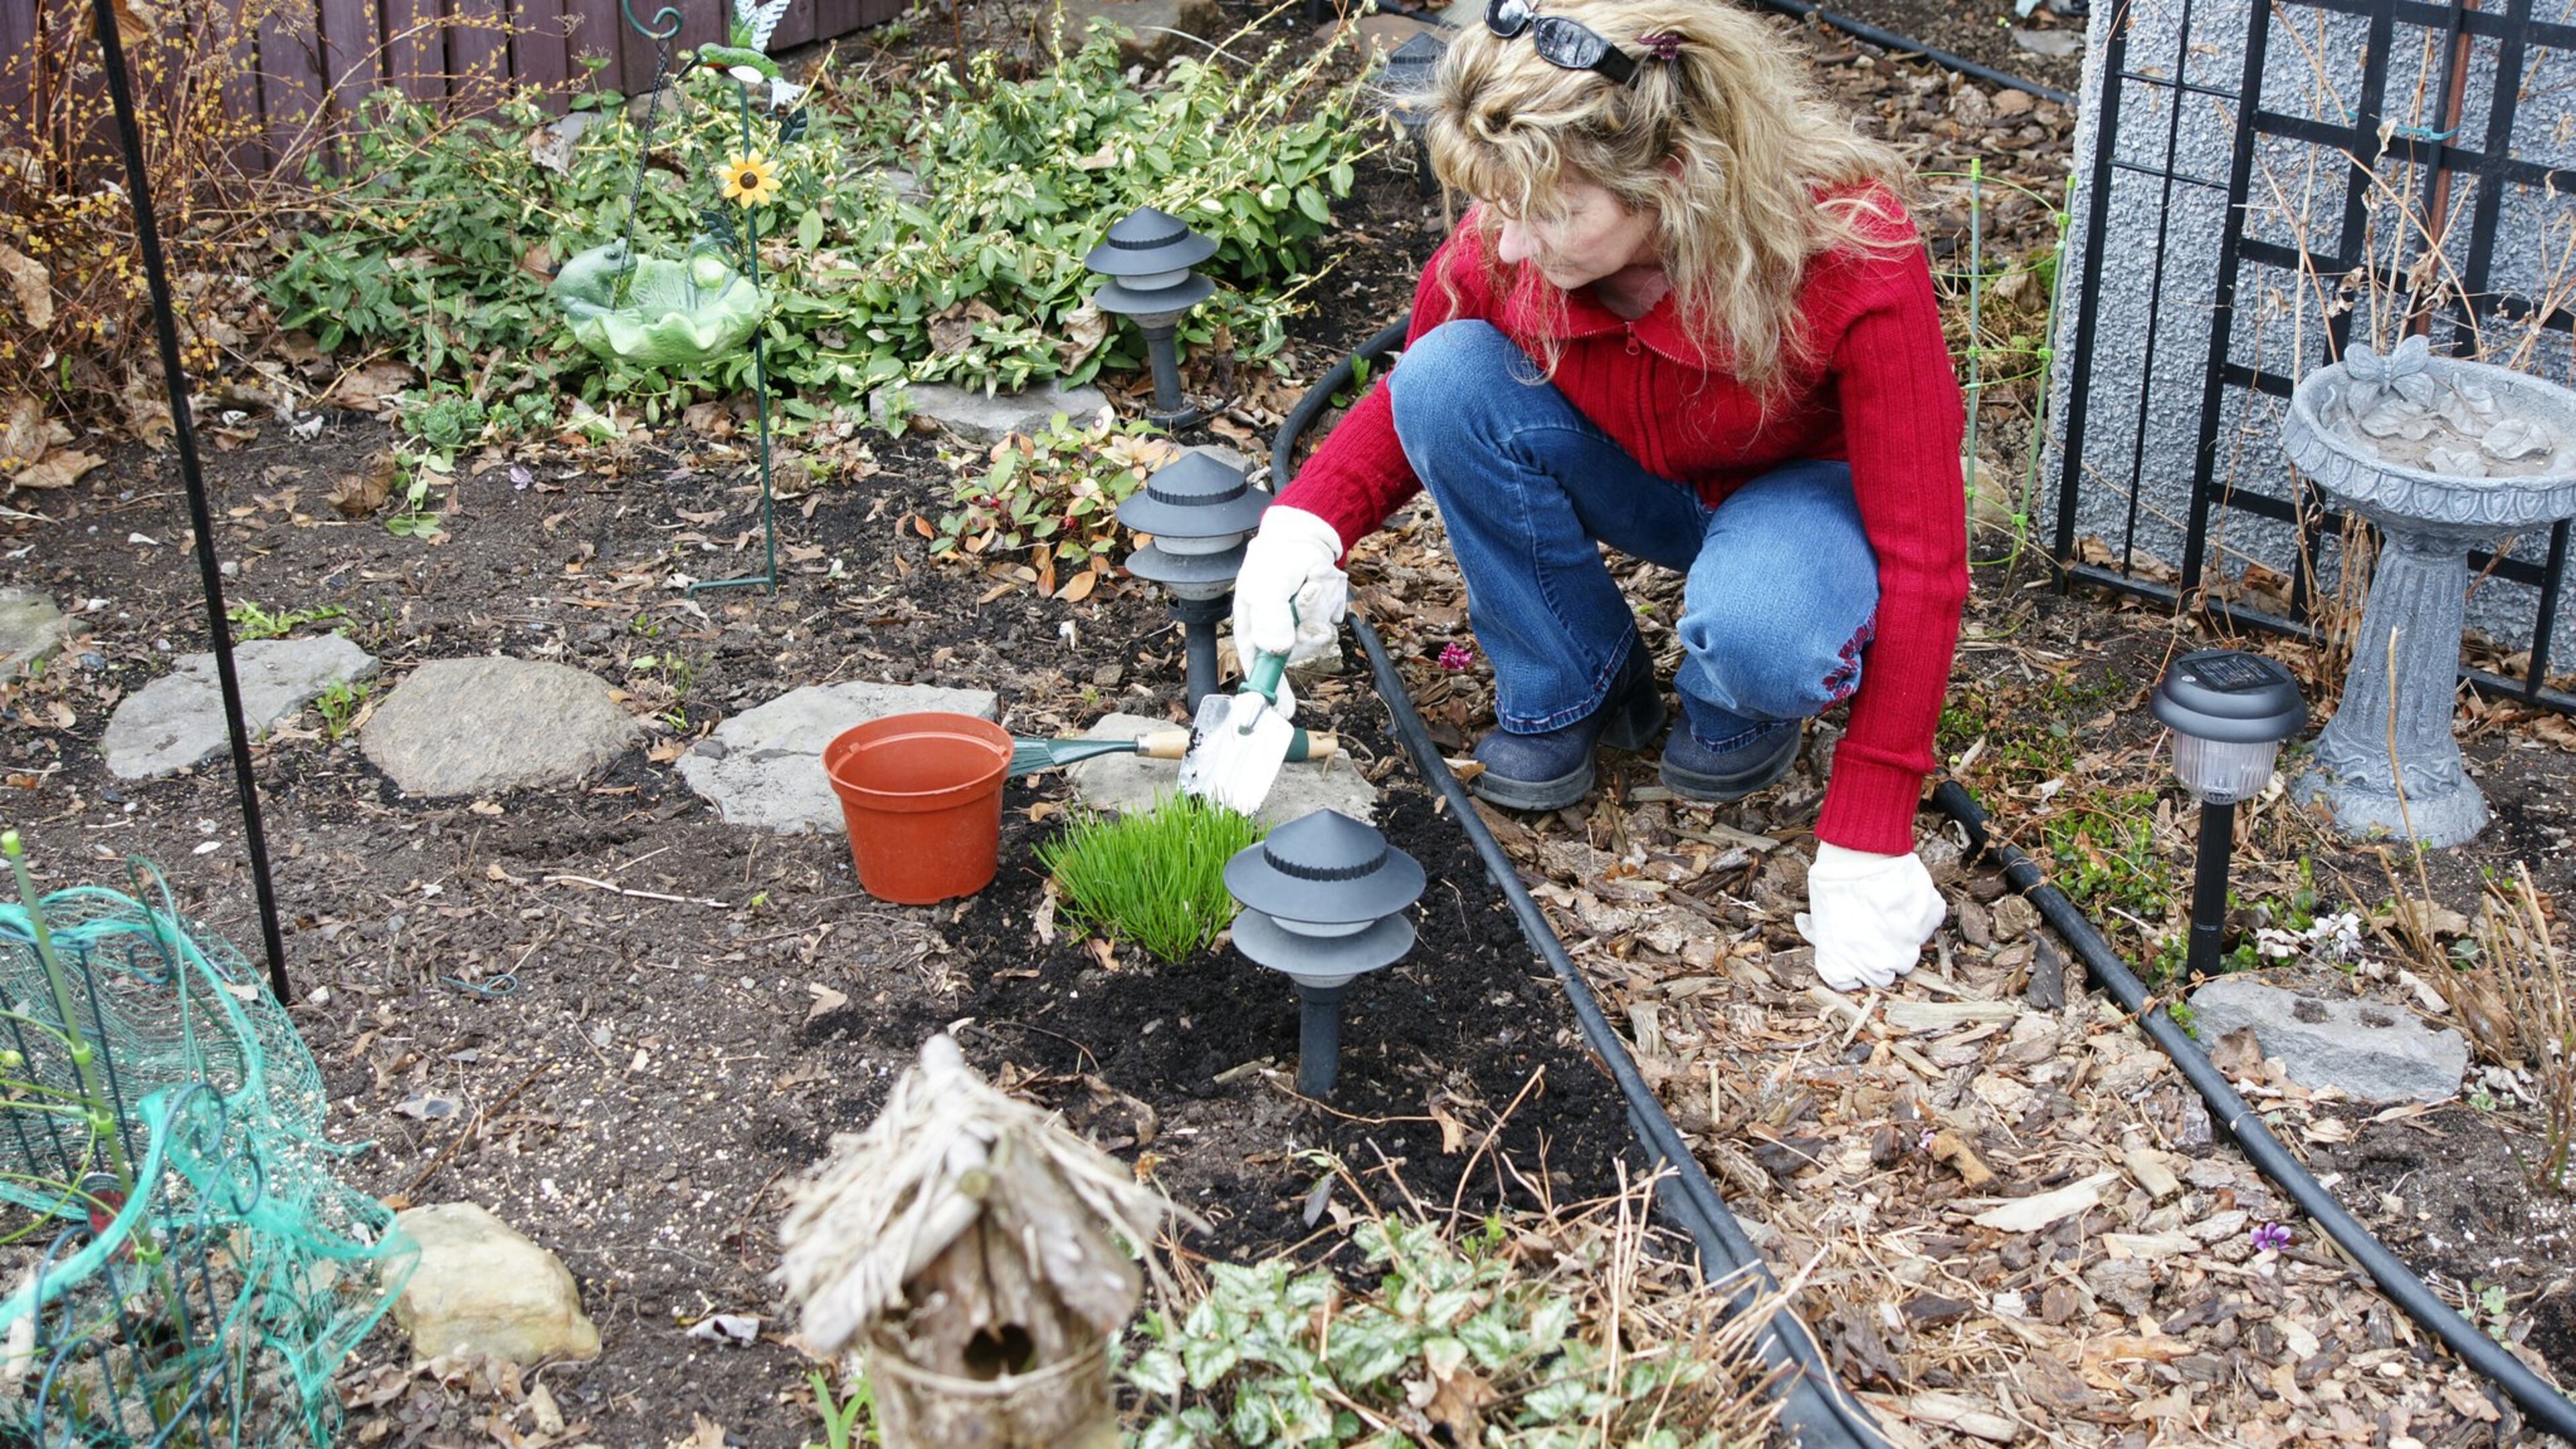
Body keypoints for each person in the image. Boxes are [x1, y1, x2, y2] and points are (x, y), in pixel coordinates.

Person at [1230, 0, 1966, 992]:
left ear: (1671, 174)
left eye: (1549, 210)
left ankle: (1733, 696)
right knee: (1448, 374)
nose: (1514, 245)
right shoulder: (1509, 240)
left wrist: (1872, 831)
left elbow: (1924, 551)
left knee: (1766, 630)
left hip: (1797, 505)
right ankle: (1576, 683)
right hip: (1638, 478)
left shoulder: (1844, 249)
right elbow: (1424, 391)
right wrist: (1305, 524)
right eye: (1498, 205)